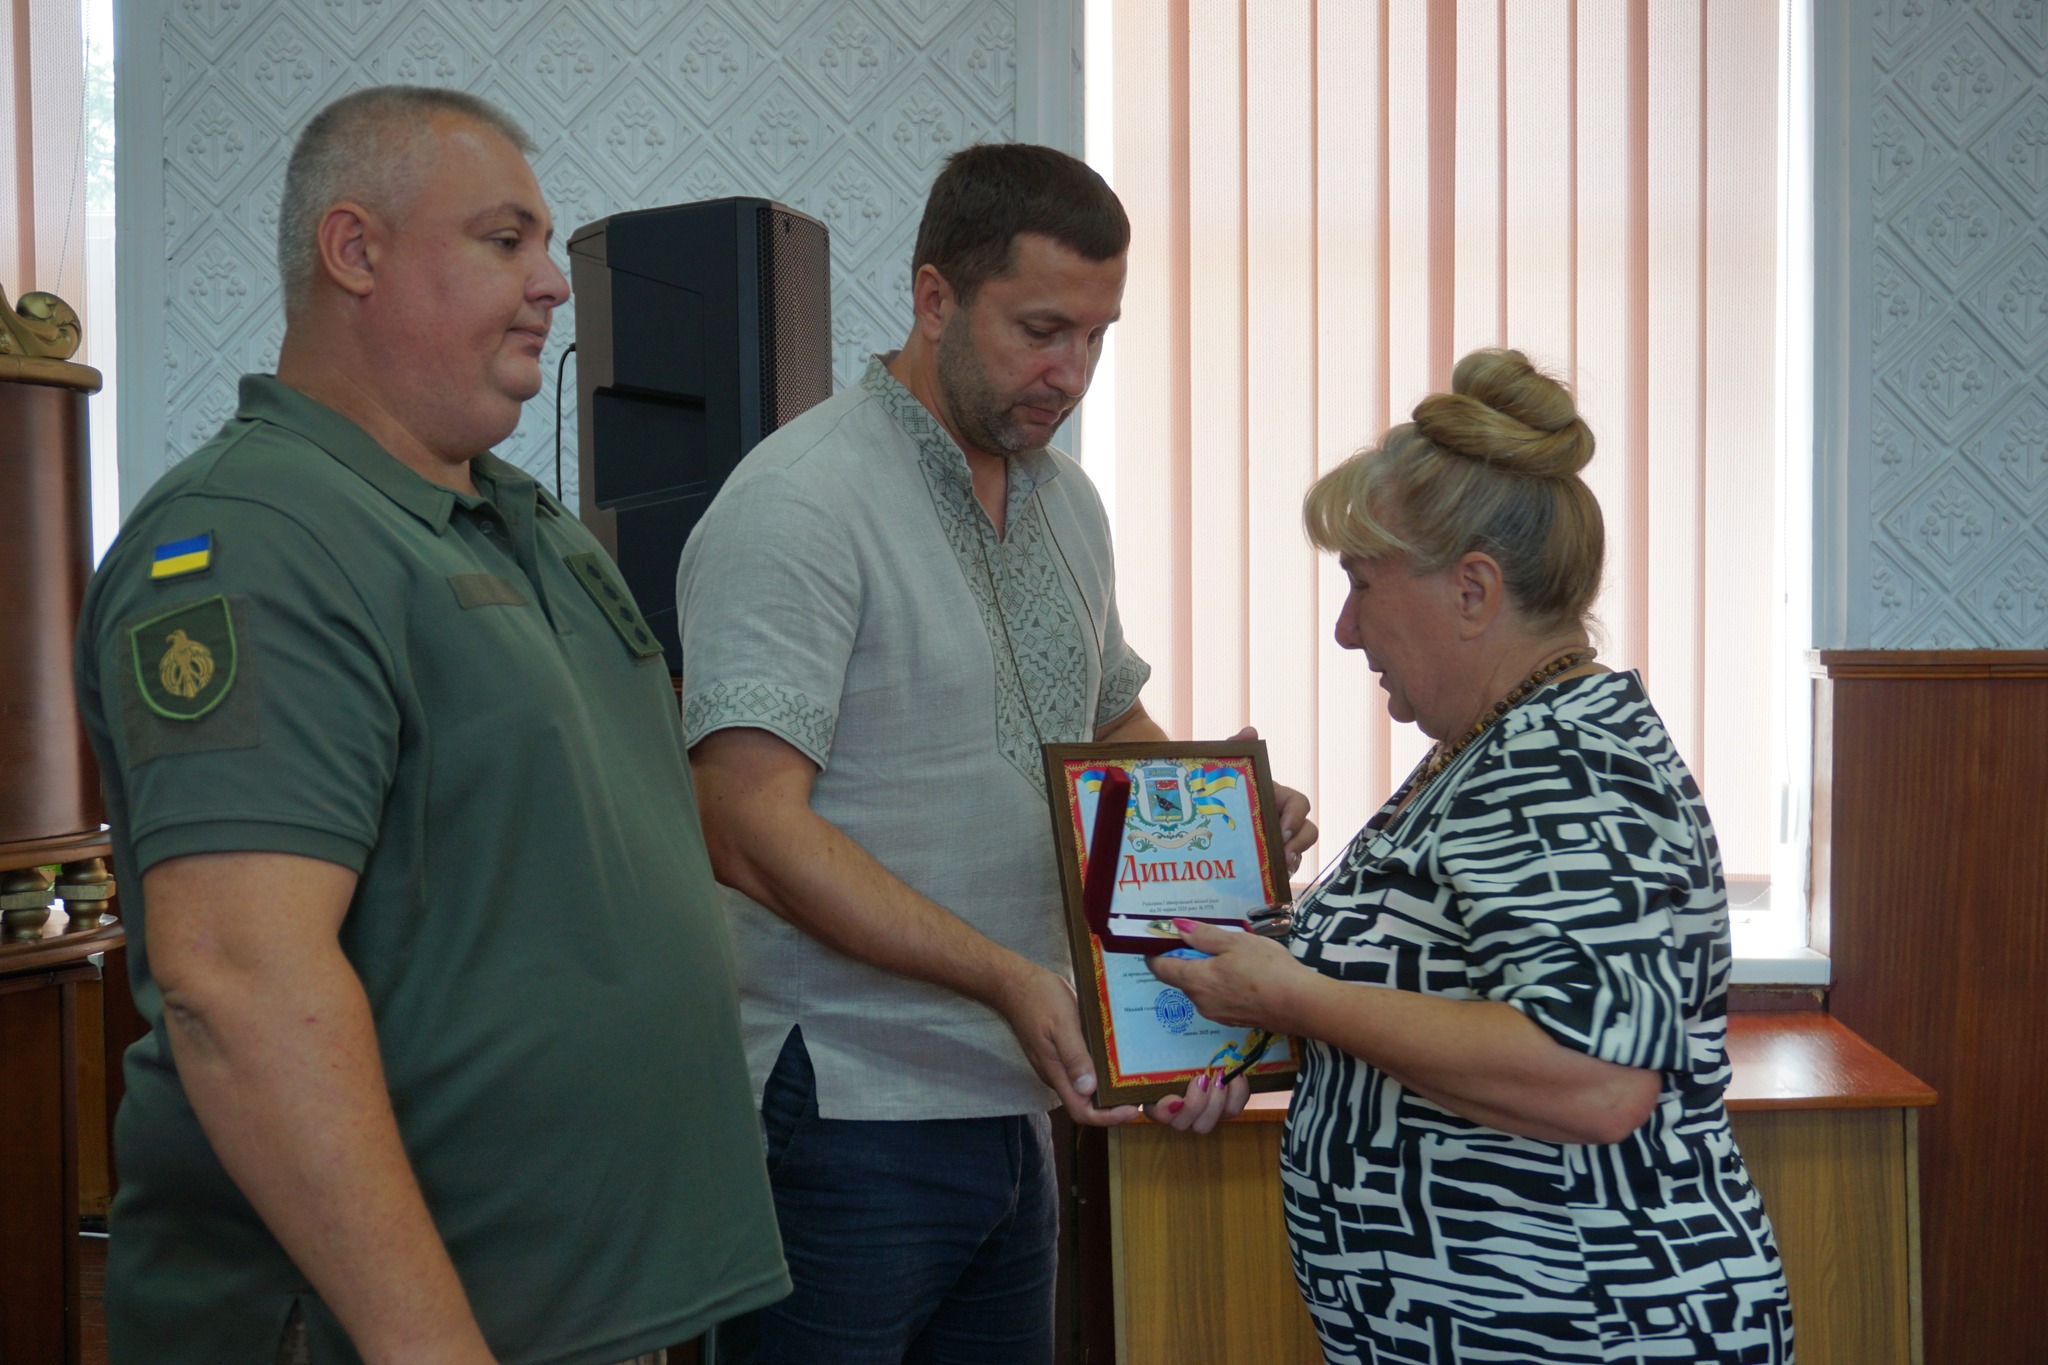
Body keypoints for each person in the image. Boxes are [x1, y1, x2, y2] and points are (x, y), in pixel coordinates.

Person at [73, 86, 787, 1365]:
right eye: (504, 240)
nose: (552, 284)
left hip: (587, 1308)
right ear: (355, 250)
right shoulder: (254, 539)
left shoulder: (529, 524)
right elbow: (239, 984)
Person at [677, 143, 1314, 1364]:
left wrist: (1220, 812)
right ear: (933, 298)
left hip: (1019, 1102)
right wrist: (1006, 977)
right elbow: (744, 825)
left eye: (1095, 335)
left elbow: (1102, 728)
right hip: (843, 1110)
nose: (1069, 372)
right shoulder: (798, 502)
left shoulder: (1066, 500)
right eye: (1039, 330)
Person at [1153, 349, 1795, 1364]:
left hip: (1592, 1326)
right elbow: (1430, 998)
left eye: (1362, 583)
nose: (1344, 629)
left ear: (1471, 590)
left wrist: (1293, 1000)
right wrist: (1249, 1006)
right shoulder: (1495, 744)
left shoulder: (1562, 759)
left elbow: (1592, 1078)